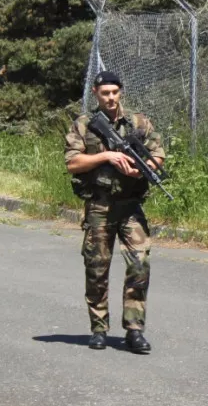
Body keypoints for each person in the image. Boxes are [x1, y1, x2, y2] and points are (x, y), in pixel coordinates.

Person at [65, 70, 166, 354]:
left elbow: (158, 156)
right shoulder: (85, 125)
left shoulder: (139, 123)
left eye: (115, 92)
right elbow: (73, 163)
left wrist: (142, 169)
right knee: (97, 268)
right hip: (99, 206)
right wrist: (106, 156)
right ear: (96, 94)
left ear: (121, 92)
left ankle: (134, 330)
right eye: (105, 93)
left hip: (131, 206)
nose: (110, 98)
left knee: (139, 264)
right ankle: (99, 329)